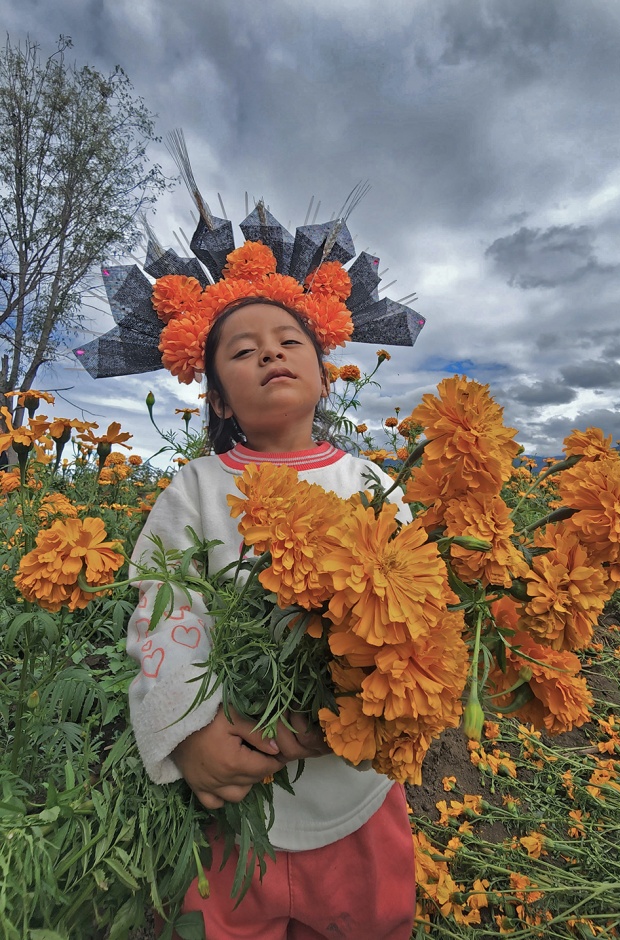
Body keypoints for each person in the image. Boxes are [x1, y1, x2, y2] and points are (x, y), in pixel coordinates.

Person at [127, 297, 416, 939]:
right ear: (220, 402)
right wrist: (187, 733)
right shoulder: (197, 486)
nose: (270, 352)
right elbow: (162, 607)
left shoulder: (372, 482)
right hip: (231, 803)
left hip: (355, 793)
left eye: (289, 341)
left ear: (324, 377)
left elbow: (418, 614)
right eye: (243, 350)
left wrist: (364, 715)